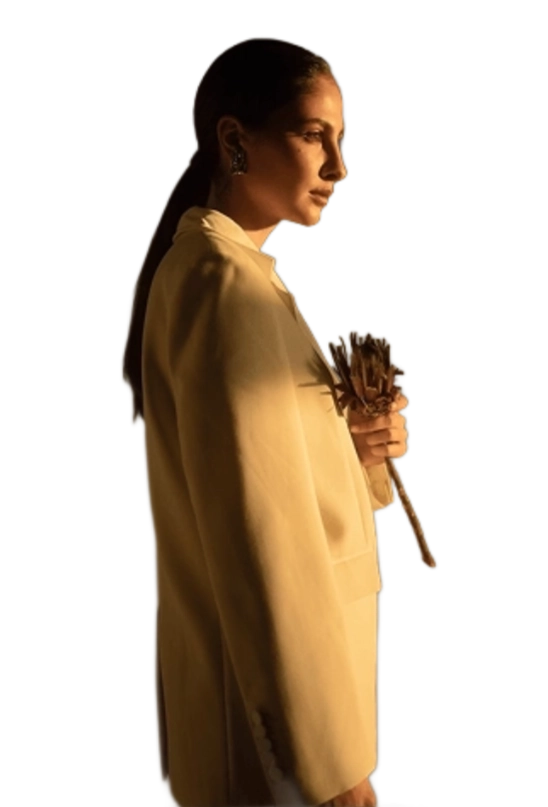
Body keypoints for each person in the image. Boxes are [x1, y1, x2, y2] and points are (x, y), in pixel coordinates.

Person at [121, 36, 410, 807]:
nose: (338, 166)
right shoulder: (225, 289)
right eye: (314, 134)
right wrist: (333, 776)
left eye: (341, 140)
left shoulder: (236, 277)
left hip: (262, 736)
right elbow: (265, 558)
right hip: (276, 763)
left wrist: (355, 455)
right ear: (235, 140)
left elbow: (270, 496)